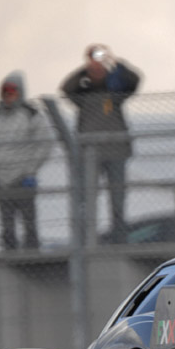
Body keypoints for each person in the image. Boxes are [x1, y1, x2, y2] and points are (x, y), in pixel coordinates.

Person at [61, 44, 141, 242]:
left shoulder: (116, 90)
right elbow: (66, 87)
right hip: (89, 153)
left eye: (99, 60)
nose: (97, 65)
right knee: (87, 198)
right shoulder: (83, 89)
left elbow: (135, 80)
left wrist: (115, 62)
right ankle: (88, 240)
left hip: (116, 151)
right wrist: (85, 69)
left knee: (118, 199)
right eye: (93, 60)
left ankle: (119, 239)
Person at [0, 72, 53, 249]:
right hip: (1, 180)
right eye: (5, 91)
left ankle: (32, 257)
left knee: (29, 222)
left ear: (20, 92)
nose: (8, 95)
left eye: (12, 91)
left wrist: (30, 169)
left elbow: (45, 144)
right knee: (7, 224)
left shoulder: (31, 114)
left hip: (23, 179)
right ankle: (9, 255)